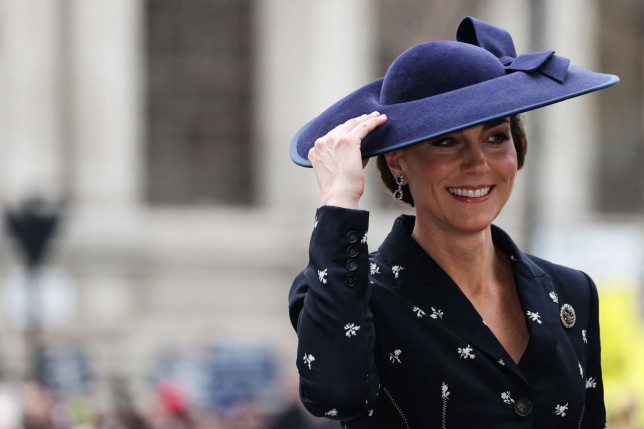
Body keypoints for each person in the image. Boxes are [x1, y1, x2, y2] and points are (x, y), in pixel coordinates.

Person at [287, 16, 619, 429]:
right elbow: (335, 396)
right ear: (397, 160)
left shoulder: (572, 291)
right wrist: (340, 201)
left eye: (496, 137)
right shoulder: (348, 288)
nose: (477, 163)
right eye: (447, 141)